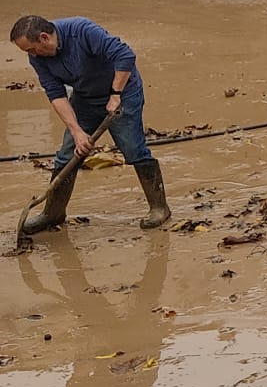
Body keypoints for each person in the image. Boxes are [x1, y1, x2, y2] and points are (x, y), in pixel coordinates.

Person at [8, 13, 171, 234]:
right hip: (85, 98)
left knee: (133, 149)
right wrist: (76, 131)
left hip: (123, 93)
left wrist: (115, 94)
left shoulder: (82, 31)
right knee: (67, 155)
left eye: (31, 49)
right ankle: (53, 213)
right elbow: (56, 94)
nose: (32, 55)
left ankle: (159, 208)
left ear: (44, 37)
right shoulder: (38, 58)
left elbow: (125, 56)